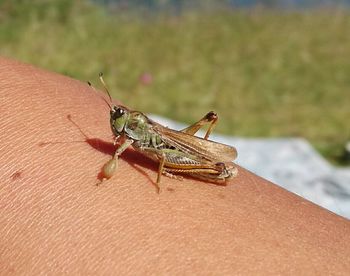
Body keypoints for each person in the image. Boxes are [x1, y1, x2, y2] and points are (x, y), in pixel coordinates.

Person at [1, 56, 349, 275]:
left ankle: (212, 166)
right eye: (115, 117)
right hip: (162, 142)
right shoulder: (129, 130)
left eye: (118, 116)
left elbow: (160, 152)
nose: (114, 122)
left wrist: (155, 178)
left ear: (130, 122)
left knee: (166, 156)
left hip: (178, 151)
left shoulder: (140, 133)